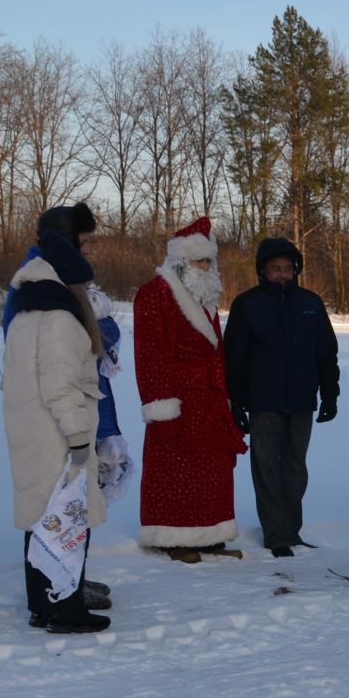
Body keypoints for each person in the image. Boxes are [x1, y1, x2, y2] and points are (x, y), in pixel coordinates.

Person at [2, 202, 116, 611]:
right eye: (83, 243)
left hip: (37, 426)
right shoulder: (55, 311)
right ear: (66, 245)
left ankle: (56, 595)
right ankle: (60, 604)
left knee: (48, 514)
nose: (89, 251)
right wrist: (79, 435)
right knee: (59, 514)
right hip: (53, 431)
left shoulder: (35, 297)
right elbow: (59, 382)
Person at [133, 217, 247, 562]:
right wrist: (160, 405)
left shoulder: (204, 296)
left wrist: (225, 395)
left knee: (212, 469)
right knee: (176, 467)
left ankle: (210, 533)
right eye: (201, 261)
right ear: (181, 261)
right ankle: (173, 535)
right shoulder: (154, 295)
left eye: (210, 261)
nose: (207, 267)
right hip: (178, 400)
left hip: (209, 399)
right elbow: (150, 356)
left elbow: (215, 351)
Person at [224, 237, 340, 554]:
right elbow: (234, 357)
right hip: (263, 402)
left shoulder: (310, 304)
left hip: (302, 400)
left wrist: (330, 393)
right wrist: (236, 402)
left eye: (288, 269)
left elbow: (326, 352)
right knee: (266, 467)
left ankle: (290, 529)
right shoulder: (247, 305)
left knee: (294, 467)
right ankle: (276, 534)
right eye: (276, 269)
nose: (283, 275)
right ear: (263, 270)